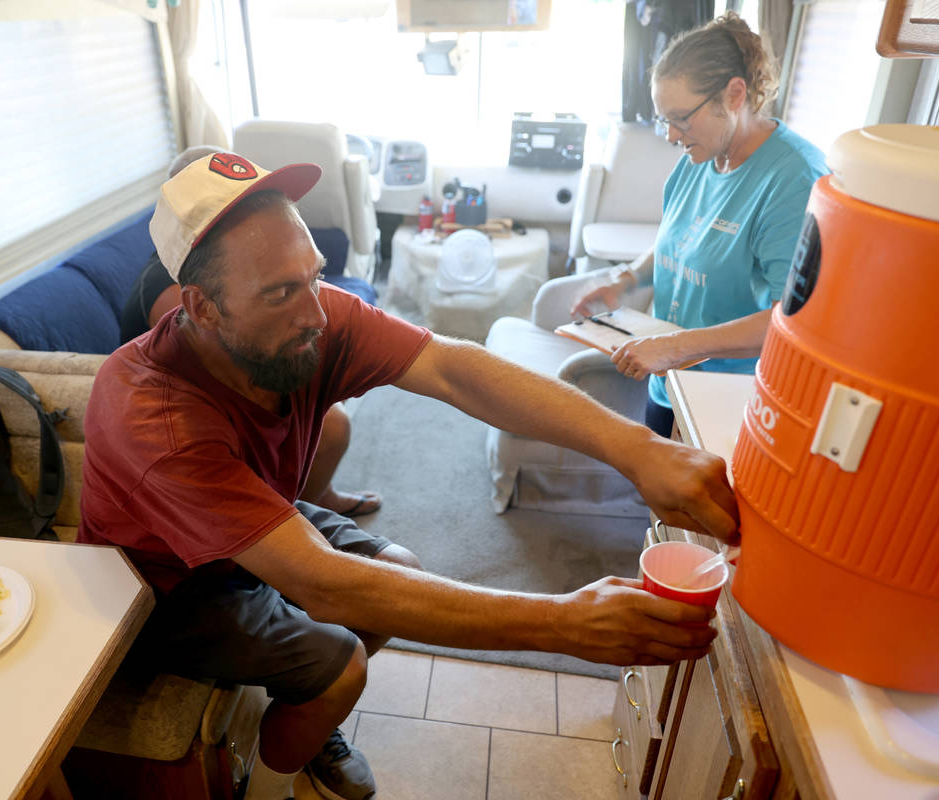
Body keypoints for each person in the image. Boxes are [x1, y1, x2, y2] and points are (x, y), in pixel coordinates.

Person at [79, 151, 740, 800]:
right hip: (165, 586)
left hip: (250, 517)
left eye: (313, 276)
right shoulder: (152, 412)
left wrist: (637, 449)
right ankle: (273, 784)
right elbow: (323, 582)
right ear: (202, 307)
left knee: (400, 564)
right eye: (281, 292)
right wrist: (563, 624)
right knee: (341, 668)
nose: (315, 312)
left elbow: (452, 368)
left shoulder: (311, 318)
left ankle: (305, 722)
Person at [572, 12, 829, 436]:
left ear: (734, 94)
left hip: (729, 399)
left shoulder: (794, 180)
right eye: (663, 120)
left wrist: (676, 348)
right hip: (668, 381)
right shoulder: (699, 156)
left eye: (680, 118)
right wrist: (627, 279)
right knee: (655, 498)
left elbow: (792, 320)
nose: (671, 136)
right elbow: (679, 241)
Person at [119, 145, 382, 517]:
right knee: (332, 424)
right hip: (201, 414)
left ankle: (316, 498)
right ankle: (297, 510)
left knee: (332, 422)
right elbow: (225, 364)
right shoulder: (169, 289)